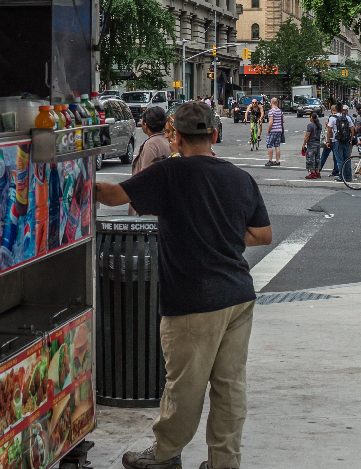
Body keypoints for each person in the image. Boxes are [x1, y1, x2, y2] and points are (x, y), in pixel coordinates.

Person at [96, 103, 272, 469]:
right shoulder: (241, 178)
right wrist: (220, 236)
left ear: (175, 137)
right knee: (230, 387)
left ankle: (163, 454)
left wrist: (71, 175)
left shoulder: (169, 173)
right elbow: (262, 235)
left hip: (193, 299)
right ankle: (223, 462)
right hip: (239, 295)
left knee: (184, 388)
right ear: (213, 135)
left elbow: (113, 196)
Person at [128, 107, 171, 214]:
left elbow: (146, 179)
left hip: (146, 210)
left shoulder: (151, 145)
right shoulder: (168, 139)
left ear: (145, 124)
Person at [332, 104, 355, 181]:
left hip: (337, 140)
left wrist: (329, 141)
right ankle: (348, 176)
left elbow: (329, 131)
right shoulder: (347, 117)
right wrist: (350, 139)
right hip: (346, 140)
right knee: (347, 159)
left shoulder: (333, 118)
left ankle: (341, 176)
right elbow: (352, 129)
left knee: (340, 159)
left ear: (335, 109)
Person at [265, 96, 285, 166]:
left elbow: (271, 122)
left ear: (271, 103)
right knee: (277, 145)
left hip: (273, 130)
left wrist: (268, 130)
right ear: (277, 103)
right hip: (279, 130)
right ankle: (277, 161)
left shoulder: (271, 111)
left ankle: (270, 160)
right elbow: (283, 120)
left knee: (269, 144)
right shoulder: (280, 111)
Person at [302, 111, 322, 179]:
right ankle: (317, 172)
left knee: (311, 159)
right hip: (317, 144)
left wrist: (304, 144)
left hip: (311, 144)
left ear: (311, 117)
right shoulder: (320, 125)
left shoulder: (310, 125)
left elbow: (307, 136)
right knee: (317, 159)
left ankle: (313, 173)